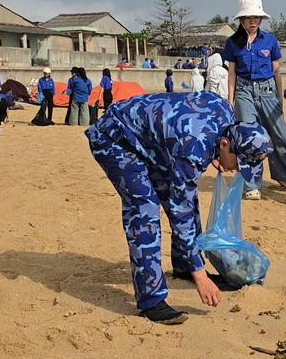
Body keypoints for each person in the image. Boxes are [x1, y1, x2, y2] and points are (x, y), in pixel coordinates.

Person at [85, 91, 275, 324]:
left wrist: (213, 153)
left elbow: (199, 130)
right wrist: (201, 276)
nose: (236, 170)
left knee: (187, 197)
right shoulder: (192, 148)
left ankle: (184, 265)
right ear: (226, 144)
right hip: (114, 138)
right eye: (238, 163)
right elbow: (180, 213)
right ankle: (151, 301)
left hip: (154, 142)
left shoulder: (225, 112)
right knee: (144, 209)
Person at [222, 0, 286, 200]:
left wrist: (280, 96)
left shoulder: (270, 40)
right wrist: (230, 99)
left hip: (268, 91)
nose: (253, 21)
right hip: (244, 91)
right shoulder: (232, 43)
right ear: (241, 19)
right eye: (248, 17)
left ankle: (284, 175)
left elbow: (276, 70)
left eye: (256, 17)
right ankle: (252, 184)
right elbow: (232, 73)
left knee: (279, 135)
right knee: (249, 137)